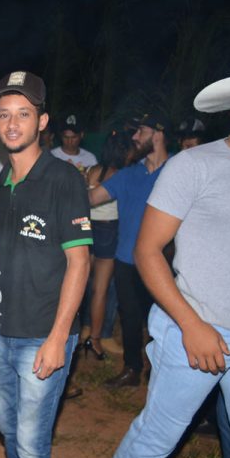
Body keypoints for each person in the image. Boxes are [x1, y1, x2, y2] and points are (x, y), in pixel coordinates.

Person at [97, 67, 230, 458]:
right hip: (195, 328)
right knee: (156, 437)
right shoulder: (195, 165)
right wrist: (191, 325)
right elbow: (147, 250)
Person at [0, 71, 92, 458]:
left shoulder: (64, 180)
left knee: (29, 440)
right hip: (4, 333)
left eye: (23, 114)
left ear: (42, 121)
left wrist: (59, 337)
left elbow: (79, 262)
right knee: (9, 427)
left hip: (44, 333)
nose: (13, 123)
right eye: (4, 114)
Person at [89, 113, 171, 388]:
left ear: (158, 134)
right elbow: (92, 198)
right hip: (125, 259)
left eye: (141, 131)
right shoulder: (129, 173)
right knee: (130, 317)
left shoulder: (176, 171)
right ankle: (132, 368)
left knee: (162, 320)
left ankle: (159, 372)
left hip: (162, 262)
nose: (134, 137)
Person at [82, 131, 129, 359]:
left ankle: (80, 329)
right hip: (107, 231)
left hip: (86, 227)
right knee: (100, 290)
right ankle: (95, 339)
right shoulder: (121, 175)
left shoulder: (91, 170)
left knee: (81, 283)